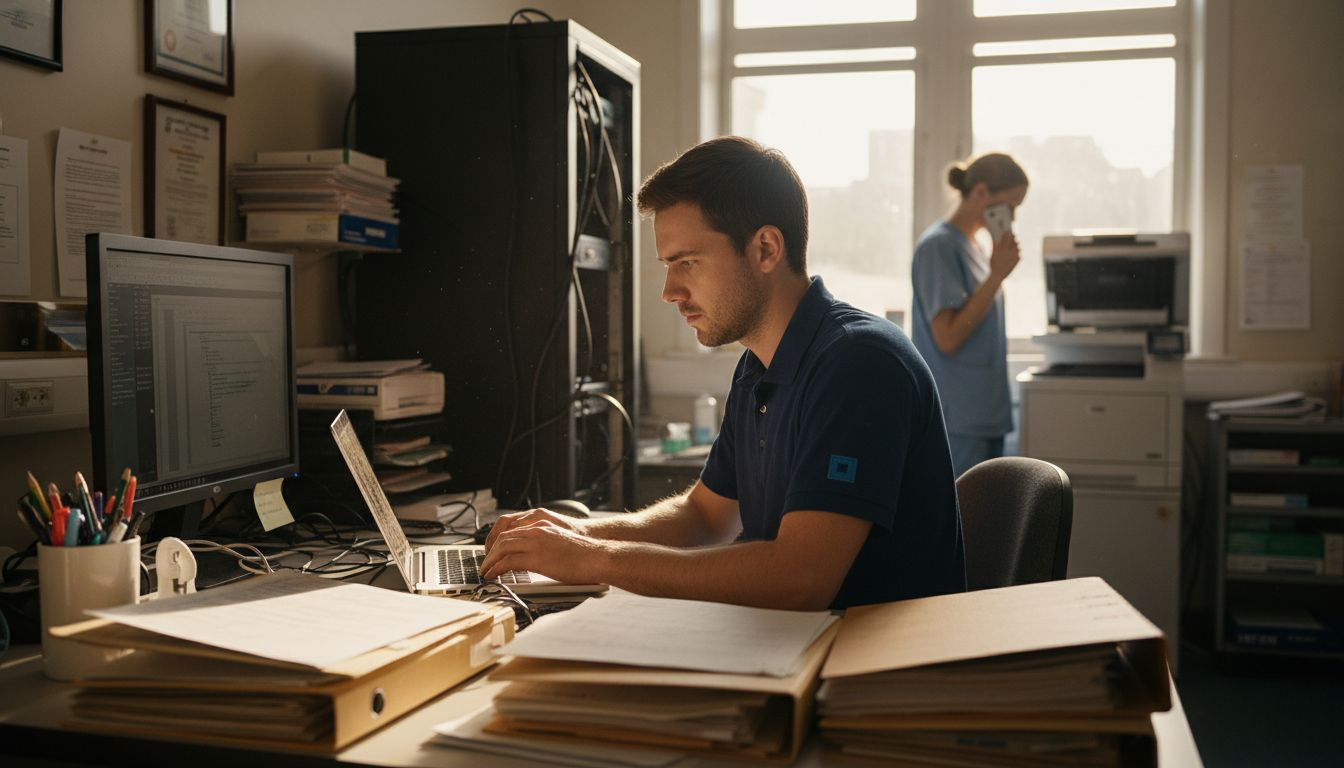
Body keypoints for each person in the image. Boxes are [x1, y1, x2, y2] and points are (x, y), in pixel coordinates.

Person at [482, 136, 965, 611]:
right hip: (797, 648)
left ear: (766, 249)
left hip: (874, 673)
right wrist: (570, 534)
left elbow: (801, 577)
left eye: (687, 262)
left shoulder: (860, 363)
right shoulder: (757, 367)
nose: (670, 291)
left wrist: (598, 558)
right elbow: (703, 516)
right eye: (668, 266)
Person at [910, 153, 1028, 478]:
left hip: (986, 414)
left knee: (989, 521)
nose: (1012, 217)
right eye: (1011, 206)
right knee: (964, 521)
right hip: (959, 419)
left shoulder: (975, 248)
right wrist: (996, 277)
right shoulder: (939, 247)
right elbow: (946, 337)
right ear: (980, 193)